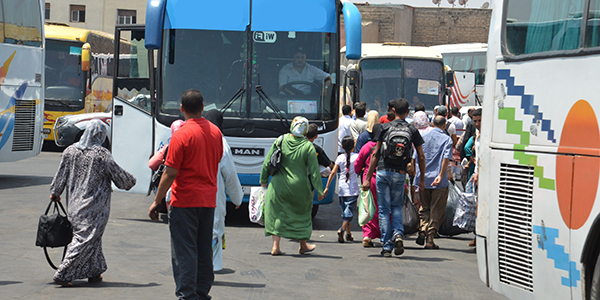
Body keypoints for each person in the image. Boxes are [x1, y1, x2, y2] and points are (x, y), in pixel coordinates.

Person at [149, 89, 223, 300]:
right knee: (203, 248)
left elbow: (170, 172)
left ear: (181, 109)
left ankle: (187, 294)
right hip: (208, 200)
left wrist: (157, 201)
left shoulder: (181, 134)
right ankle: (201, 292)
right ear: (203, 107)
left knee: (185, 251)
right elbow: (215, 161)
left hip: (185, 201)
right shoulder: (216, 133)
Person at [49, 120, 136, 287]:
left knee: (93, 239)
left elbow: (61, 175)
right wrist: (134, 180)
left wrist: (55, 192)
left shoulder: (70, 151)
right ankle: (63, 273)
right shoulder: (101, 155)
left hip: (74, 205)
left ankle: (95, 272)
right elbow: (122, 179)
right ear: (101, 135)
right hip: (95, 207)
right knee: (85, 239)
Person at [362, 98, 426, 257]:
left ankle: (387, 246)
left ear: (393, 111)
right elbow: (421, 156)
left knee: (383, 210)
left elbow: (376, 154)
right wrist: (422, 179)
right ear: (408, 112)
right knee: (397, 206)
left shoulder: (384, 128)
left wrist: (368, 177)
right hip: (400, 173)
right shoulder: (412, 130)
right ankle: (398, 233)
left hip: (383, 172)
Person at [260, 117, 325, 255]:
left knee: (277, 213)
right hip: (300, 187)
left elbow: (267, 162)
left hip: (278, 185)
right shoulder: (308, 147)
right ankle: (303, 245)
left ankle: (275, 247)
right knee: (302, 214)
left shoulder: (281, 140)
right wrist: (319, 191)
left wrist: (263, 180)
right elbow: (314, 172)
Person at [205, 110, 243, 272]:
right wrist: (237, 199)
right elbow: (230, 175)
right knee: (213, 230)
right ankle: (211, 266)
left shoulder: (189, 135)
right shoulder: (220, 142)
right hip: (213, 196)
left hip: (189, 197)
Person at [412, 116, 453, 249]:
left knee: (424, 207)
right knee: (437, 209)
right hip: (438, 181)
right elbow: (446, 158)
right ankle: (430, 238)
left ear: (431, 123)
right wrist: (441, 176)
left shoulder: (423, 135)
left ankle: (423, 228)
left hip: (423, 179)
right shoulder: (447, 139)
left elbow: (415, 157)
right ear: (444, 125)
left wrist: (416, 176)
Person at [323, 136, 360, 243]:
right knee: (349, 212)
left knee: (345, 211)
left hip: (342, 189)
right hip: (352, 189)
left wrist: (327, 187)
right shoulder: (357, 157)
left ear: (342, 147)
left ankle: (349, 234)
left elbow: (333, 173)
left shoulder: (339, 158)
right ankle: (342, 229)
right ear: (353, 146)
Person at [354, 123, 382, 247]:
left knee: (368, 206)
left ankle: (367, 235)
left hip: (369, 180)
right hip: (384, 178)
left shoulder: (367, 147)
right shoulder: (386, 146)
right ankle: (386, 234)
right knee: (385, 208)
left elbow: (357, 165)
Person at [149, 119, 186, 213]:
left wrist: (156, 202)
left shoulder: (167, 148)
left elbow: (152, 164)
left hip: (172, 193)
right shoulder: (194, 145)